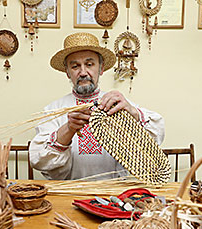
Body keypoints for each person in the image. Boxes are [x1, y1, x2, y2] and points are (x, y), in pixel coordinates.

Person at [29, 32, 165, 180]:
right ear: (68, 73)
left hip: (114, 194)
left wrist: (132, 112)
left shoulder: (118, 103)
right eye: (75, 66)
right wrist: (68, 129)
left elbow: (156, 136)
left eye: (89, 64)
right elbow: (39, 160)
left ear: (101, 69)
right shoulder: (53, 111)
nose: (83, 72)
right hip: (71, 193)